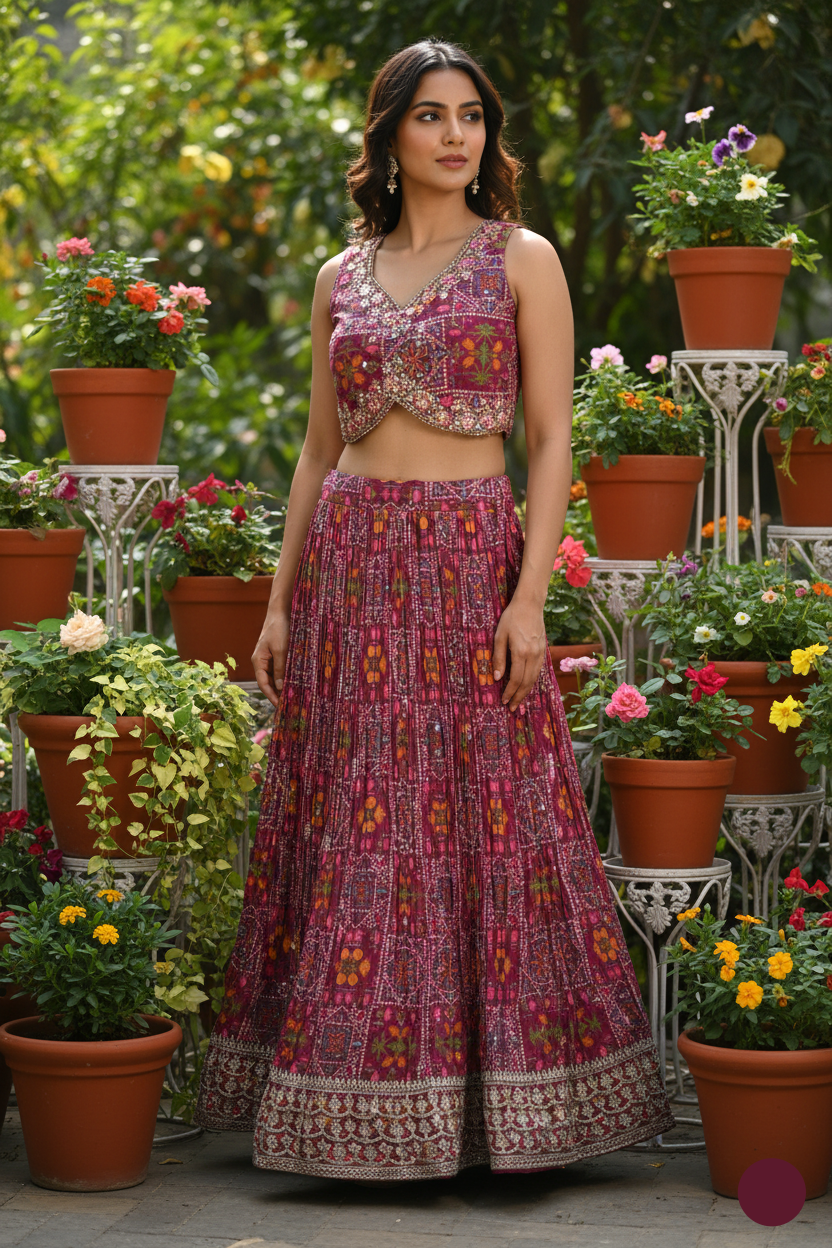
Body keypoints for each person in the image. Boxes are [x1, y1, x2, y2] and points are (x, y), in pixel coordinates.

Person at [195, 37, 674, 1179]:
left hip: (468, 563)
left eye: (471, 116)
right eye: (430, 115)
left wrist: (528, 598)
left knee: (488, 818)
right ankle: (349, 1109)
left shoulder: (522, 259)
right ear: (390, 134)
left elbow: (551, 441)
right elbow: (317, 451)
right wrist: (277, 605)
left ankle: (505, 1116)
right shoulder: (341, 276)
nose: (456, 135)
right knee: (358, 823)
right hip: (352, 569)